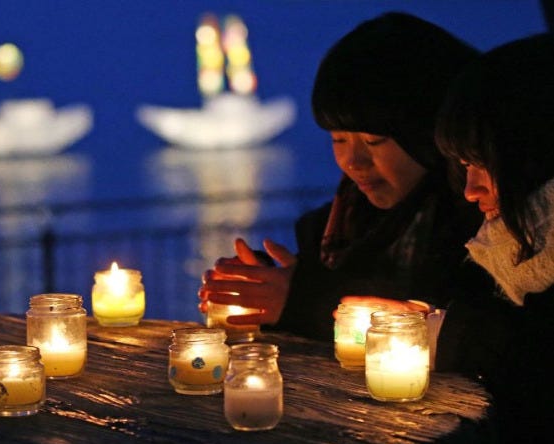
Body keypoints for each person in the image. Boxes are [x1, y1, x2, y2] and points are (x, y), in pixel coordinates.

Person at [198, 12, 487, 341]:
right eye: (338, 139)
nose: (352, 161)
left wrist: (302, 301)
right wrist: (268, 283)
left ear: (428, 135)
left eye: (372, 141)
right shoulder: (335, 231)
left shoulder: (485, 230)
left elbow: (464, 327)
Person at [431, 33, 554, 444]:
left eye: (484, 162)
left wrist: (462, 335)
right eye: (464, 165)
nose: (469, 189)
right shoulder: (507, 261)